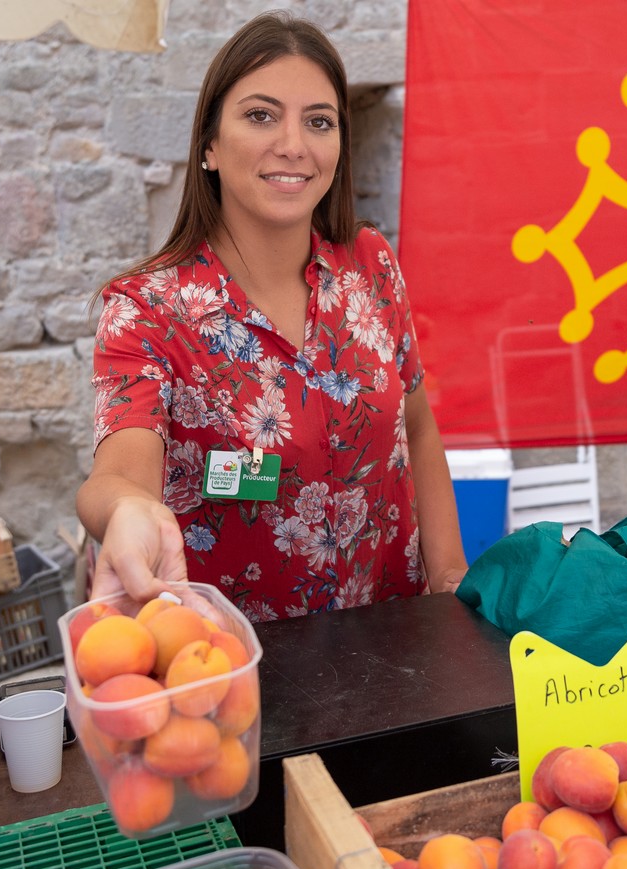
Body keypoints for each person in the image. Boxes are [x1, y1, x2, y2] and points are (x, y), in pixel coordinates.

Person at [77, 11, 467, 621]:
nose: (294, 144)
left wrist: (449, 583)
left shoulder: (371, 265)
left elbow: (416, 428)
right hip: (239, 673)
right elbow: (119, 473)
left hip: (399, 654)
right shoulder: (147, 313)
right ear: (209, 146)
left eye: (319, 122)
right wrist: (126, 510)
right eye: (261, 115)